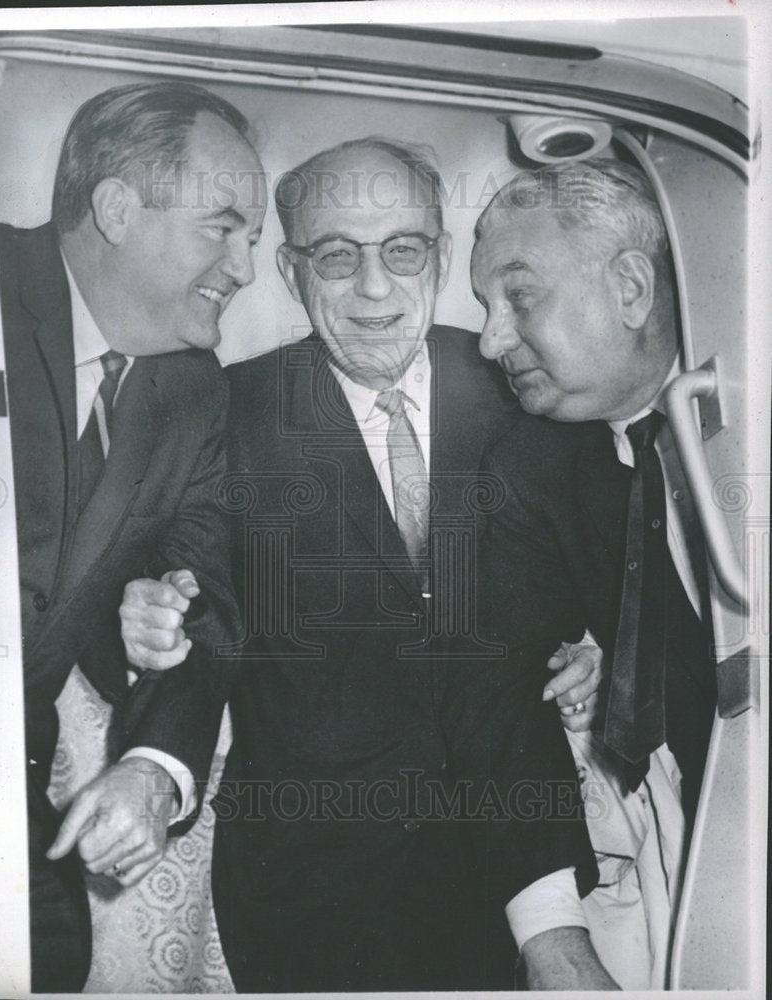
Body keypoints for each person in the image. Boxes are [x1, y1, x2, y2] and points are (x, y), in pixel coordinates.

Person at [121, 137, 618, 991]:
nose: (373, 288)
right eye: (337, 257)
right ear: (287, 267)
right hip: (310, 889)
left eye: (402, 251)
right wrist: (151, 689)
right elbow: (200, 612)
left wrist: (606, 653)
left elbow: (612, 576)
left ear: (440, 254)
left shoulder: (528, 388)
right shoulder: (230, 412)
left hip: (518, 869)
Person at [0, 80, 265, 991]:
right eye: (223, 226)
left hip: (3, 802)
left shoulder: (192, 391)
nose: (246, 266)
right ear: (116, 208)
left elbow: (208, 600)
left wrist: (152, 770)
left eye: (254, 238)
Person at [471, 158, 718, 988]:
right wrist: (552, 945)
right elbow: (501, 693)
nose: (489, 339)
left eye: (517, 298)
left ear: (630, 288)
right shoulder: (525, 468)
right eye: (484, 308)